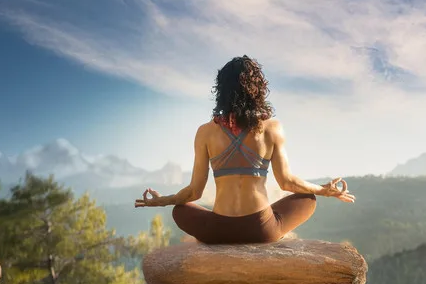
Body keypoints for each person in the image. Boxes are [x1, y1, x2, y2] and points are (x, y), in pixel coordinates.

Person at [134, 55, 355, 244]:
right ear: (257, 89)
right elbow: (287, 182)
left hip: (218, 231)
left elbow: (194, 192)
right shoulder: (272, 128)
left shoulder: (205, 132)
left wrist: (160, 200)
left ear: (221, 90)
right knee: (308, 199)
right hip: (261, 230)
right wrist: (323, 190)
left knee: (179, 209)